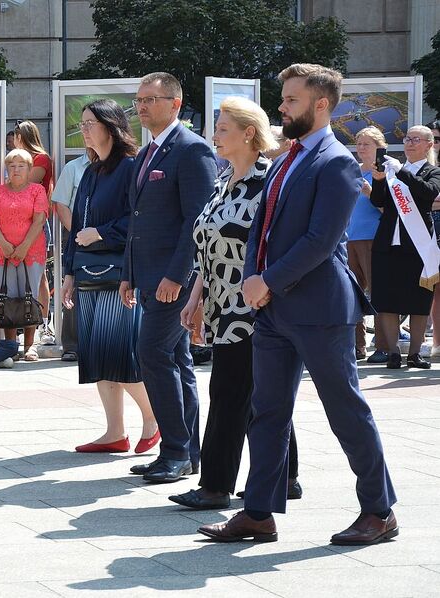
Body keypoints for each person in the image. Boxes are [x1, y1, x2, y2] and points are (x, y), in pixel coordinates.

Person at [200, 63, 397, 546]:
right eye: (283, 99)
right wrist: (252, 278)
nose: (282, 108)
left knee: (344, 410)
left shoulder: (337, 162)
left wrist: (266, 281)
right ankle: (258, 513)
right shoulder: (286, 158)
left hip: (319, 310)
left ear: (321, 104)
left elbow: (320, 240)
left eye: (291, 100)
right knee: (266, 412)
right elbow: (260, 231)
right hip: (271, 310)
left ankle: (379, 510)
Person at [170, 97, 301, 509]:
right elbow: (207, 250)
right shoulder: (222, 180)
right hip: (221, 306)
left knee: (229, 391)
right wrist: (195, 299)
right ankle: (288, 476)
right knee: (261, 393)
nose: (215, 134)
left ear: (249, 133)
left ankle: (215, 486)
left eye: (223, 128)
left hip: (257, 307)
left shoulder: (270, 182)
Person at [121, 72, 217, 483]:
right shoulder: (146, 154)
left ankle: (176, 450)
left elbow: (197, 221)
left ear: (175, 104)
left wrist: (178, 275)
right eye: (139, 100)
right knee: (175, 360)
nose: (141, 107)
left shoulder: (192, 151)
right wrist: (128, 274)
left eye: (150, 100)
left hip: (173, 279)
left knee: (153, 355)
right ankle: (183, 452)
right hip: (146, 276)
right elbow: (137, 221)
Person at [60, 99, 157, 454]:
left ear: (111, 126)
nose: (83, 129)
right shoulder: (89, 171)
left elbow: (139, 220)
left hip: (120, 274)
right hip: (86, 272)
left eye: (90, 123)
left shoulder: (131, 167)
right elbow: (76, 231)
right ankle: (114, 432)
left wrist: (101, 233)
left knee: (118, 352)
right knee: (97, 355)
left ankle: (153, 420)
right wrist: (69, 271)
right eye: (82, 123)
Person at [369, 125, 440, 369]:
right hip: (388, 242)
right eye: (407, 138)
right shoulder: (391, 171)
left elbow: (428, 192)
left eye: (416, 139)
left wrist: (401, 172)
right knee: (386, 298)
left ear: (429, 145)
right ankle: (393, 353)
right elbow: (378, 201)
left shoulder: (432, 171)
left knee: (418, 299)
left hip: (417, 245)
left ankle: (414, 354)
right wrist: (379, 181)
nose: (409, 143)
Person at [0, 149, 49, 361]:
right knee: (8, 297)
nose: (16, 170)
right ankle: (11, 345)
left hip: (31, 251)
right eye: (12, 166)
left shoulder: (37, 190)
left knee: (29, 295)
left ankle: (30, 345)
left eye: (21, 165)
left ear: (29, 169)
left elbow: (39, 220)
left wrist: (23, 246)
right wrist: (4, 245)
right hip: (2, 252)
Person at [346, 127, 391, 363]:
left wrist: (370, 192)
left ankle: (383, 346)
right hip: (348, 238)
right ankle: (356, 346)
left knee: (378, 293)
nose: (361, 148)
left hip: (374, 238)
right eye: (359, 143)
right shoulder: (352, 170)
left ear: (379, 146)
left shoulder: (385, 171)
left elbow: (390, 210)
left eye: (367, 144)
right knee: (351, 295)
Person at [14, 120, 55, 345]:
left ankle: (44, 324)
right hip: (16, 223)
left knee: (39, 277)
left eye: (16, 137)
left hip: (36, 222)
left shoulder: (41, 159)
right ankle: (23, 322)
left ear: (23, 137)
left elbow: (25, 184)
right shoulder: (20, 160)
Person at [51, 150, 91, 362]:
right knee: (73, 287)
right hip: (76, 234)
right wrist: (76, 232)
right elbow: (61, 203)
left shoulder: (118, 166)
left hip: (106, 234)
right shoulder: (73, 167)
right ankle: (72, 345)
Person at [428, 119, 440, 360]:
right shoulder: (421, 166)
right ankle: (437, 341)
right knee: (434, 288)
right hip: (428, 229)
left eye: (437, 139)